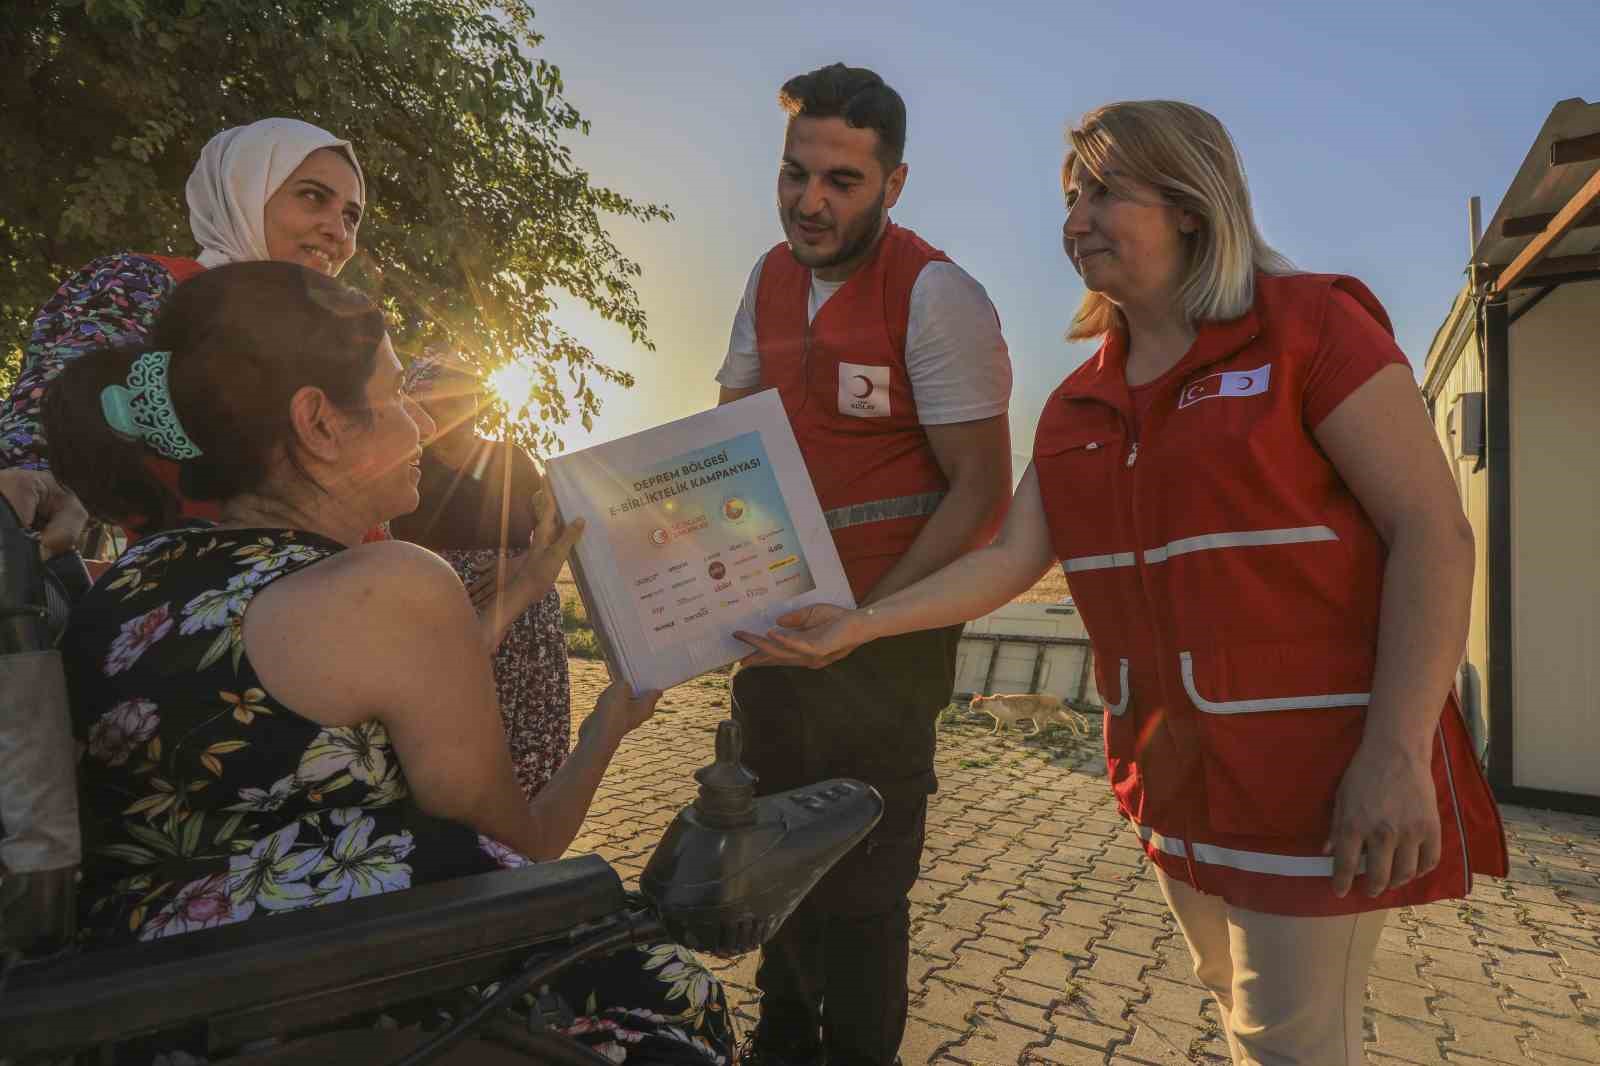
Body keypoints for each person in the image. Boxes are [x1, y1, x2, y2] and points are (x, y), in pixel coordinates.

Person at [738, 100, 1508, 1066]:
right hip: (1177, 787)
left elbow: (1432, 531)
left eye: (1105, 193)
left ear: (1191, 204)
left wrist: (1395, 753)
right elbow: (1007, 560)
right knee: (1232, 1008)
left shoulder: (1311, 326)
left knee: (1292, 1043)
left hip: (1318, 783)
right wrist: (859, 626)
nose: (1074, 222)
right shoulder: (1079, 402)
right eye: (1070, 198)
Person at [45, 261, 732, 1064]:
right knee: (674, 993)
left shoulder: (127, 586)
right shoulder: (394, 582)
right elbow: (533, 844)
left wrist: (516, 594)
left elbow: (333, 705)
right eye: (399, 395)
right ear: (321, 424)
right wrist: (610, 722)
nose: (422, 425)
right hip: (349, 1003)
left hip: (139, 1005)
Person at [716, 63, 1013, 1066]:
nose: (809, 200)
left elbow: (979, 489)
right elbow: (729, 441)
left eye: (841, 180)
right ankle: (778, 1048)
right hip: (775, 634)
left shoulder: (937, 295)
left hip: (884, 649)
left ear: (893, 182)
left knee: (858, 890)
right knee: (765, 867)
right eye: (795, 174)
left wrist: (863, 623)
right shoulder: (765, 278)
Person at [1, 117, 367, 537]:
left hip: (336, 589)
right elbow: (57, 407)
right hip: (175, 588)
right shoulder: (146, 283)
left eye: (352, 217)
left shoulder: (336, 348)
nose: (338, 230)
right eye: (313, 196)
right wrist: (46, 478)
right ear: (243, 189)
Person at [390, 349, 571, 801]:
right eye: (428, 402)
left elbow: (557, 528)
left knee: (528, 747)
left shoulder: (511, 458)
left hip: (525, 629)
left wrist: (521, 564)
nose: (444, 414)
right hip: (436, 627)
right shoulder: (403, 470)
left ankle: (527, 851)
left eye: (458, 401)